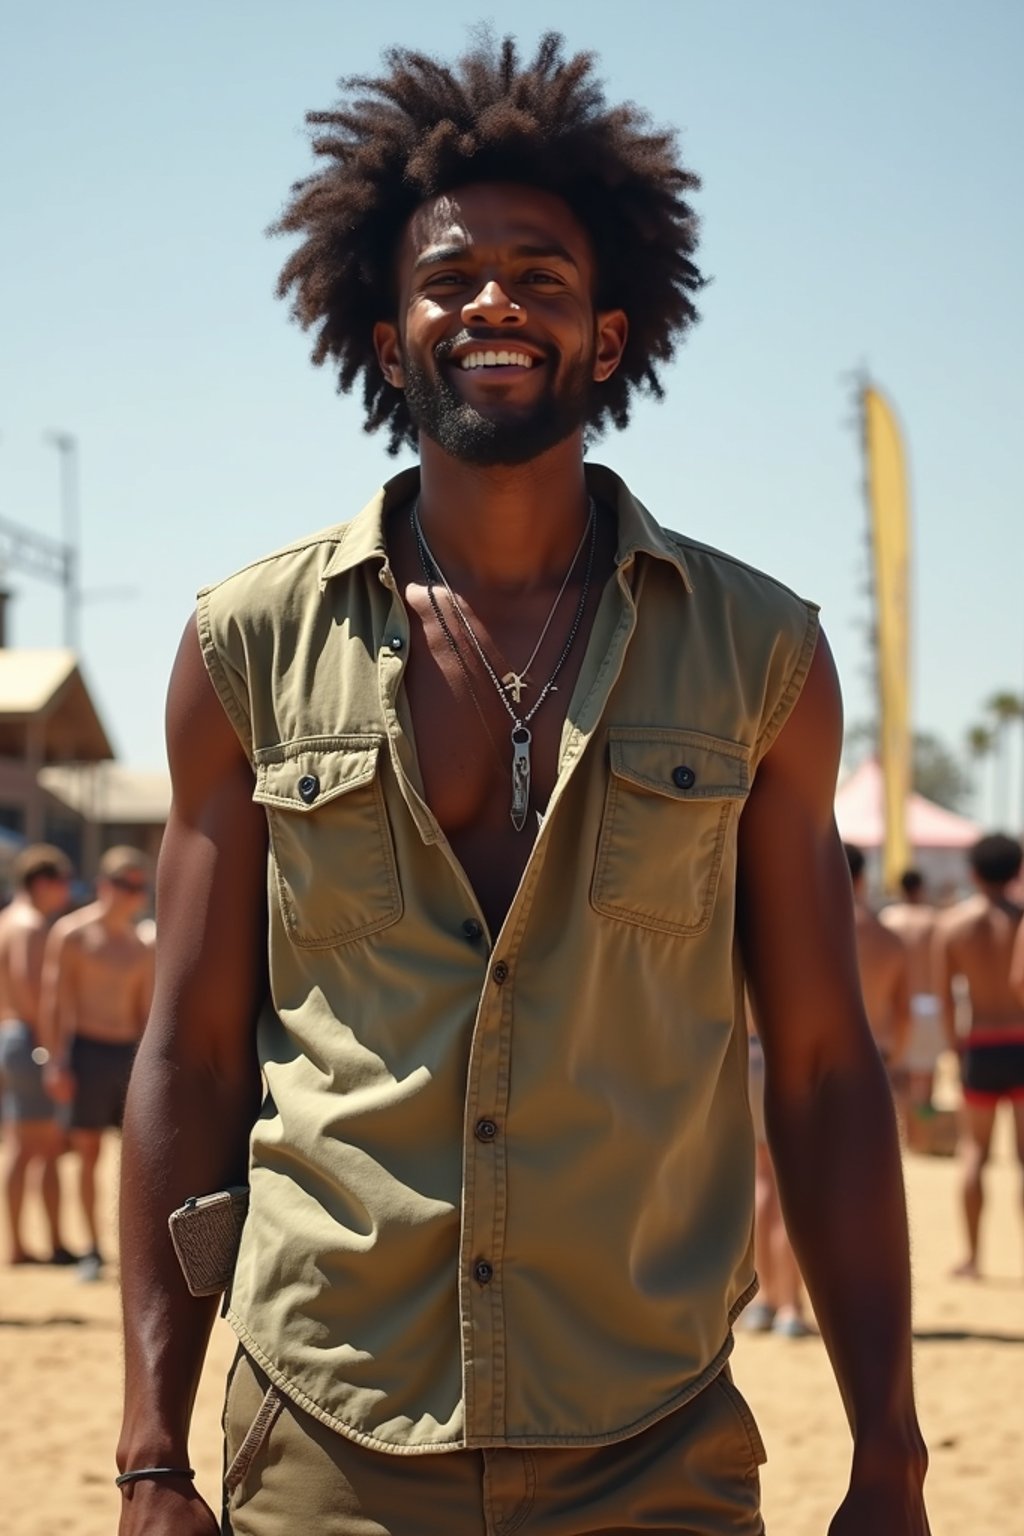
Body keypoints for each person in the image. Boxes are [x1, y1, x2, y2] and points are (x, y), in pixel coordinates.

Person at [116, 33, 929, 1536]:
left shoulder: (762, 657)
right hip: (321, 1435)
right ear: (384, 336)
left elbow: (821, 1067)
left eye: (542, 276)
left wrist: (892, 1448)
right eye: (451, 278)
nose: (494, 301)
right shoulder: (245, 650)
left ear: (610, 340)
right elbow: (192, 1051)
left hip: (654, 1442)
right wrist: (153, 1454)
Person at [40, 845, 154, 1280]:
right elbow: (54, 1001)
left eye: (139, 887)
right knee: (87, 1153)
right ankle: (90, 1247)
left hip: (128, 1056)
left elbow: (146, 1013)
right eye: (125, 885)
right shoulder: (72, 934)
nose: (132, 895)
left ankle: (131, 1249)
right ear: (104, 886)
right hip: (87, 1051)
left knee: (136, 1160)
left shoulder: (143, 943)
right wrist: (55, 1062)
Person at [932, 833, 1024, 1279]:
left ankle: (972, 1257)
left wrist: (955, 1044)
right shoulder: (1022, 919)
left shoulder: (952, 926)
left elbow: (945, 997)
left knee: (975, 1153)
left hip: (980, 1045)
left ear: (972, 872)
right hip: (1021, 1039)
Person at [0, 844, 76, 1264]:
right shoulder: (30, 926)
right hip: (30, 1041)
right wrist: (54, 1054)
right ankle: (41, 1243)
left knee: (22, 1144)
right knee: (39, 1146)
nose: (67, 891)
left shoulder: (7, 920)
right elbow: (35, 999)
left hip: (11, 1038)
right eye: (63, 882)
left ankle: (26, 1242)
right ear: (43, 882)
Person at [744, 1008, 812, 1338]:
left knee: (762, 1179)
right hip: (783, 1053)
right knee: (791, 1182)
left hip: (745, 1053)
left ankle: (763, 1301)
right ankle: (790, 1306)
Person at [844, 845, 912, 1123]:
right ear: (862, 879)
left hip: (810, 1063)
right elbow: (904, 1011)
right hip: (874, 1055)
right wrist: (895, 1060)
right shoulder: (889, 940)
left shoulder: (795, 931)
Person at [880, 869, 943, 1120]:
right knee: (927, 1068)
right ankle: (925, 1123)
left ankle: (904, 1124)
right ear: (921, 888)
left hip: (897, 1002)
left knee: (899, 1066)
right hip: (929, 999)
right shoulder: (933, 920)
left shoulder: (889, 918)